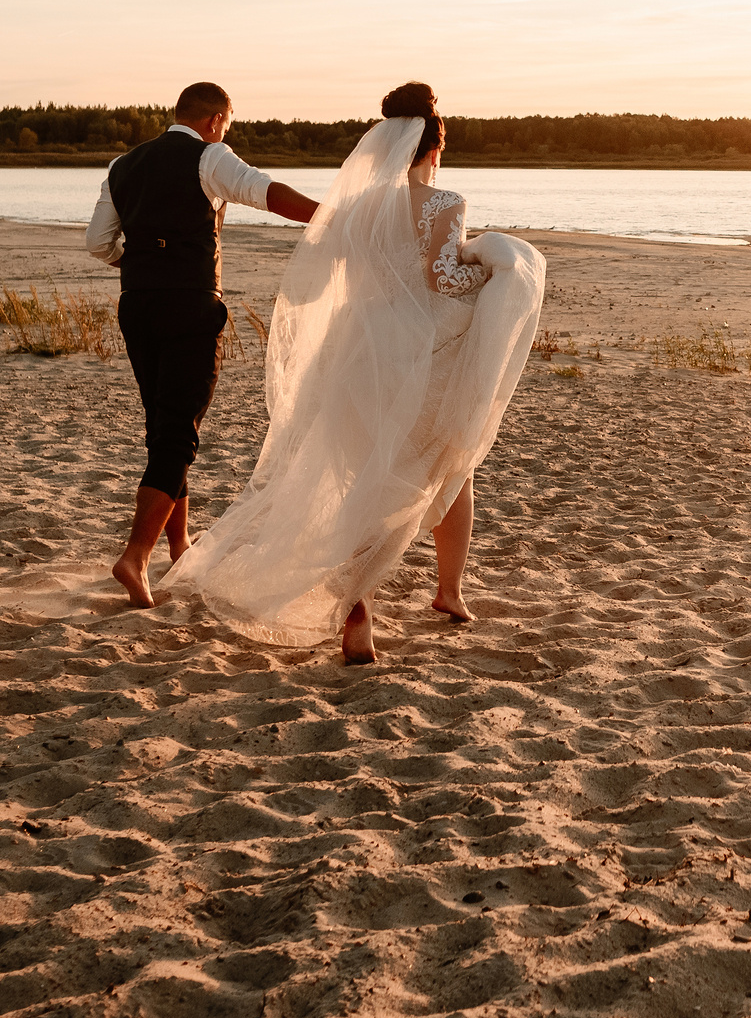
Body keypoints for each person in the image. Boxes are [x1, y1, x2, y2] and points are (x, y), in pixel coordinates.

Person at [166, 82, 546, 663]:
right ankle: (448, 591)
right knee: (449, 465)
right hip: (421, 355)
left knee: (357, 476)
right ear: (433, 148)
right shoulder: (445, 204)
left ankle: (360, 604)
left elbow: (345, 273)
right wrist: (489, 269)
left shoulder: (357, 208)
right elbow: (442, 280)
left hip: (356, 351)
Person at [85, 81, 320, 607]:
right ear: (216, 120)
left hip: (137, 305)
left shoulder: (123, 165)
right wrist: (327, 215)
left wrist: (145, 265)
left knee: (164, 424)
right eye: (228, 125)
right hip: (191, 306)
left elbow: (98, 242)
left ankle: (179, 548)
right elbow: (266, 192)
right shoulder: (210, 156)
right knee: (178, 433)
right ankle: (135, 556)